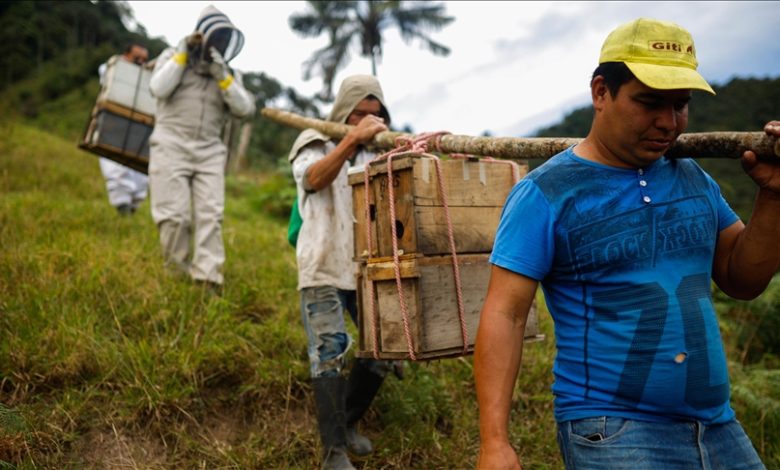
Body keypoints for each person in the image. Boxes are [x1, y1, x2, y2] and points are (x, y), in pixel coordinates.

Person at [474, 17, 780, 470]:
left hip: (717, 425)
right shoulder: (548, 192)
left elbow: (742, 280)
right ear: (601, 92)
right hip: (614, 431)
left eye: (680, 105)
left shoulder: (693, 177)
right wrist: (494, 443)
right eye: (649, 102)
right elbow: (506, 312)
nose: (667, 122)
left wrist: (773, 196)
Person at [289, 75, 397, 470]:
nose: (369, 121)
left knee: (384, 349)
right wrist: (351, 140)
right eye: (360, 114)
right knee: (330, 350)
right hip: (322, 266)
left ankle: (348, 423)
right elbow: (314, 179)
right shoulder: (312, 141)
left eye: (376, 114)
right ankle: (333, 452)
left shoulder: (377, 152)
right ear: (343, 113)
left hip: (364, 269)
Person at [147, 5, 255, 290]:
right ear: (202, 34)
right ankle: (175, 273)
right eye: (215, 37)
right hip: (170, 143)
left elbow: (244, 108)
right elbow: (158, 88)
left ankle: (208, 280)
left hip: (209, 150)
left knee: (211, 214)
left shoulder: (228, 73)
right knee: (174, 216)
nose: (218, 44)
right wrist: (182, 53)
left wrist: (223, 76)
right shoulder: (172, 56)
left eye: (223, 39)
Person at [98, 43, 150, 215]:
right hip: (114, 124)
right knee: (116, 168)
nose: (140, 63)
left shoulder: (147, 78)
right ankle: (123, 209)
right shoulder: (112, 68)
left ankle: (132, 209)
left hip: (137, 128)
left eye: (144, 60)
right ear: (126, 55)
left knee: (139, 172)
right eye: (136, 58)